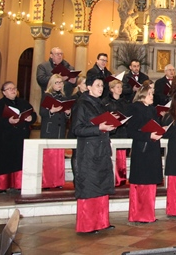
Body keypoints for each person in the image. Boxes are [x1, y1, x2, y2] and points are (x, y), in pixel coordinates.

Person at [72, 75, 116, 234]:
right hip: (89, 152)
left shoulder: (101, 105)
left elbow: (105, 125)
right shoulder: (81, 104)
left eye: (102, 86)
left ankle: (102, 222)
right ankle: (88, 225)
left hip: (102, 150)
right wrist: (98, 128)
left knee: (102, 186)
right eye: (97, 85)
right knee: (90, 187)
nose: (101, 88)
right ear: (89, 87)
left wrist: (112, 125)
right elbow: (76, 129)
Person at [0, 82, 37, 193]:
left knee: (19, 160)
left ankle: (18, 183)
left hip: (20, 137)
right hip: (5, 138)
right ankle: (3, 185)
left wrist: (31, 118)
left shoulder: (23, 103)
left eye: (14, 88)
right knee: (5, 161)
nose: (13, 90)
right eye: (9, 89)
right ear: (4, 92)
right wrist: (8, 121)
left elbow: (33, 114)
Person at [127, 82, 164, 223]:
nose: (152, 96)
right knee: (142, 184)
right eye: (149, 94)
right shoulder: (135, 108)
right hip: (142, 150)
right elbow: (131, 131)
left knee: (150, 183)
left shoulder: (152, 110)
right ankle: (139, 214)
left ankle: (149, 214)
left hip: (152, 149)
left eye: (152, 94)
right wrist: (149, 136)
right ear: (142, 95)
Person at [40, 74, 72, 189]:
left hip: (60, 129)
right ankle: (47, 181)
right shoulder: (47, 96)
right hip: (50, 129)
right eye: (57, 82)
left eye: (61, 82)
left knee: (58, 157)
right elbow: (42, 112)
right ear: (51, 84)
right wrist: (51, 111)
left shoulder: (63, 97)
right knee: (49, 157)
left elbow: (66, 117)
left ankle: (58, 181)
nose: (59, 84)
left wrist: (68, 113)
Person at [102, 79, 129, 187]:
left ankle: (121, 178)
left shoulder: (125, 102)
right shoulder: (105, 102)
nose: (120, 89)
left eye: (121, 87)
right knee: (112, 156)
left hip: (123, 131)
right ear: (112, 89)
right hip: (112, 132)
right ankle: (112, 178)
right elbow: (103, 116)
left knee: (122, 156)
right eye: (117, 87)